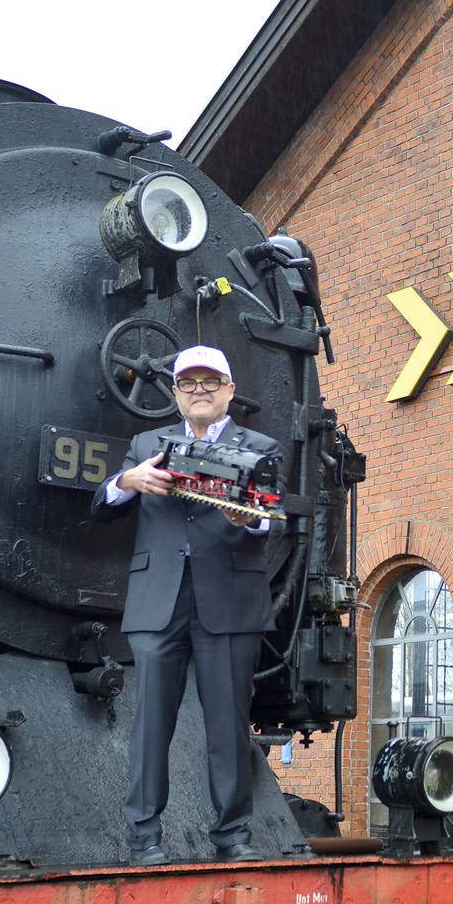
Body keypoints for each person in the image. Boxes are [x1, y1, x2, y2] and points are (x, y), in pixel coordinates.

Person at [91, 345, 276, 865]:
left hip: (231, 598)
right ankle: (143, 839)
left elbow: (271, 514)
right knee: (150, 723)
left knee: (228, 724)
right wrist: (127, 481)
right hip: (159, 598)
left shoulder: (260, 445)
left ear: (230, 390)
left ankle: (233, 837)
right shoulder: (147, 444)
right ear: (175, 393)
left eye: (210, 382)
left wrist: (250, 519)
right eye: (189, 383)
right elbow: (101, 506)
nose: (200, 390)